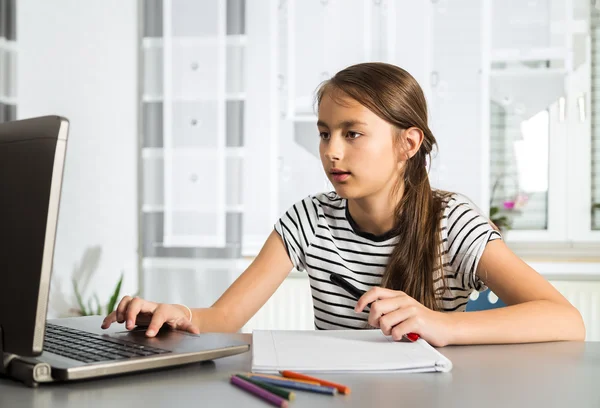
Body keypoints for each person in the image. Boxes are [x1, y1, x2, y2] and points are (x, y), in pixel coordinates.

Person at [102, 62, 585, 346]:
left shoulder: (450, 220)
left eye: (353, 134)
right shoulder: (308, 220)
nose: (331, 151)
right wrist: (179, 314)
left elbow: (567, 320)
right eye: (324, 133)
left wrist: (437, 322)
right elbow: (223, 320)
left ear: (407, 144)